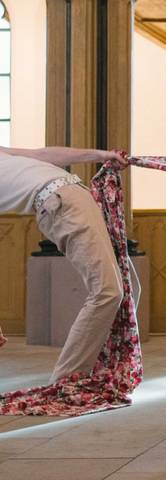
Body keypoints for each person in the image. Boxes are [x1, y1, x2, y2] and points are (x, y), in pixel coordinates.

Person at [0, 145, 129, 383]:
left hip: (72, 195)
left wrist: (102, 156)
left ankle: (98, 374)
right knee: (108, 292)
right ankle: (64, 384)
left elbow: (43, 154)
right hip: (59, 202)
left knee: (122, 289)